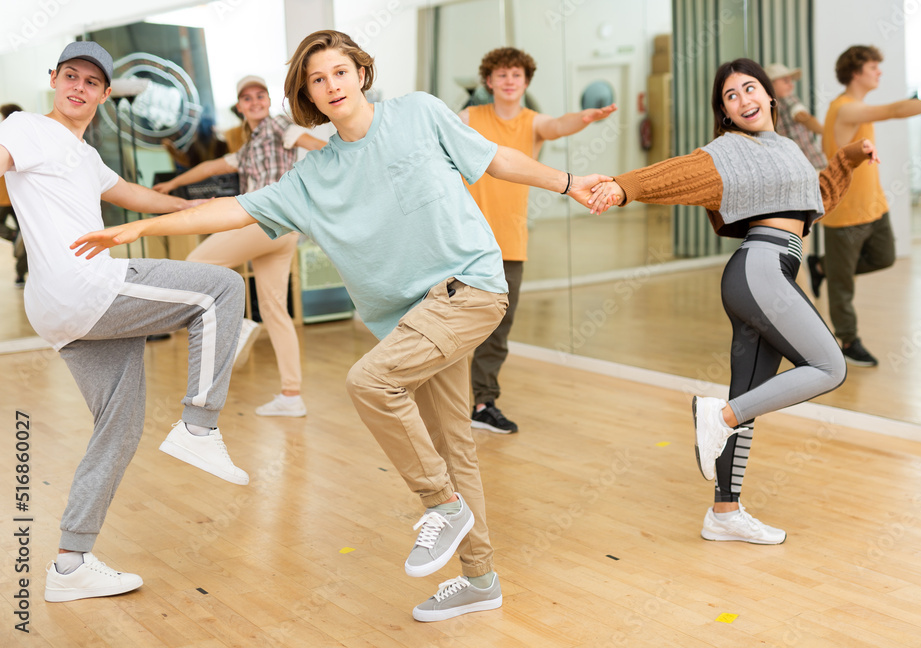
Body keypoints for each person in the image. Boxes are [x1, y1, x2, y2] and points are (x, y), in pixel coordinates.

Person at [72, 30, 611, 621]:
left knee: (371, 383)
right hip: (409, 320)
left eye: (339, 72)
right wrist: (140, 229)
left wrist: (568, 182)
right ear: (308, 95)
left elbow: (495, 158)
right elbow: (237, 209)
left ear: (361, 72)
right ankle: (480, 577)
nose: (331, 86)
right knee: (456, 446)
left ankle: (443, 506)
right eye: (317, 79)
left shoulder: (419, 113)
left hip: (468, 288)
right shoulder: (313, 177)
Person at [588, 58, 878, 545]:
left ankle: (724, 512)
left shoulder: (785, 148)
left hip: (770, 271)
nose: (743, 100)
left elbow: (814, 201)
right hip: (759, 269)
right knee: (830, 366)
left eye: (750, 89)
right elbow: (678, 173)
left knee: (748, 398)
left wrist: (846, 159)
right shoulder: (729, 152)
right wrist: (623, 188)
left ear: (770, 98)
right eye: (730, 95)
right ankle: (716, 417)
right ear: (725, 112)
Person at [0, 41, 250, 603]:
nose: (78, 87)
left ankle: (70, 564)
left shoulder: (83, 156)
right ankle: (200, 425)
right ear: (53, 80)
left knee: (119, 426)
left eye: (91, 82)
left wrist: (195, 204)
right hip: (86, 283)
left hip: (59, 312)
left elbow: (133, 195)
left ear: (105, 95)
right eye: (70, 76)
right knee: (222, 287)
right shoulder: (25, 128)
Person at [458, 47, 617, 434]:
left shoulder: (532, 123)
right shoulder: (468, 118)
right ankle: (439, 398)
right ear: (489, 81)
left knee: (498, 325)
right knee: (454, 324)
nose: (510, 81)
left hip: (509, 242)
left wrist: (586, 118)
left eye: (516, 75)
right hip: (463, 240)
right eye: (502, 74)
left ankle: (483, 402)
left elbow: (559, 125)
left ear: (525, 82)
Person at [154, 75, 327, 417]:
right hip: (284, 231)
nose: (254, 101)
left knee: (195, 262)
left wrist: (311, 150)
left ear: (268, 100)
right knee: (276, 309)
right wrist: (172, 182)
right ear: (239, 107)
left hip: (266, 221)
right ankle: (292, 396)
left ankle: (237, 329)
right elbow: (209, 167)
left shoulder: (279, 126)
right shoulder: (249, 146)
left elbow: (324, 148)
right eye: (247, 98)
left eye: (260, 95)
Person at [810, 45, 921, 366]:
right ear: (856, 72)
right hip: (845, 213)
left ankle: (821, 267)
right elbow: (896, 110)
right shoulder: (845, 109)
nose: (879, 72)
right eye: (874, 67)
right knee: (843, 287)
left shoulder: (853, 107)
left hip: (874, 204)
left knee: (885, 257)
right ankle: (847, 340)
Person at [764, 63, 826, 170]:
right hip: (810, 163)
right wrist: (825, 131)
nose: (791, 85)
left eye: (791, 81)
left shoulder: (768, 107)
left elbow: (800, 114)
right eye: (786, 81)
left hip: (798, 165)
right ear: (770, 84)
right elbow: (803, 117)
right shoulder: (788, 100)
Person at [0, 103, 27, 286]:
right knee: (24, 237)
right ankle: (16, 236)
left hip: (16, 197)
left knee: (26, 238)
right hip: (7, 197)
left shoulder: (16, 137)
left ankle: (20, 274)